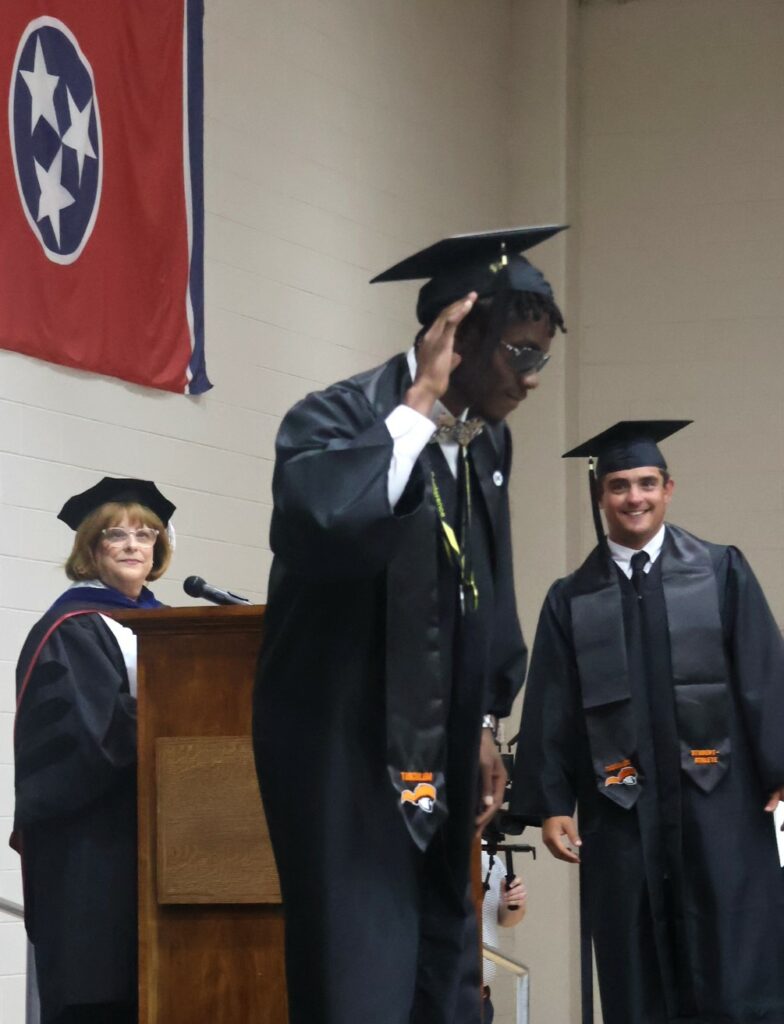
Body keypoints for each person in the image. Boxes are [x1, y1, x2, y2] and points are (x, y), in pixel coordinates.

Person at [253, 225, 567, 1024]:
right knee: (358, 971)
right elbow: (328, 523)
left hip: (442, 752)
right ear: (456, 339)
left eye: (542, 356)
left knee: (443, 967)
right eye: (520, 355)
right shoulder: (335, 419)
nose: (532, 379)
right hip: (345, 756)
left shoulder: (487, 445)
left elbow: (484, 590)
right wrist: (419, 402)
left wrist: (488, 721)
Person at [511, 420, 784, 1024]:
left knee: (732, 957)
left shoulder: (720, 572)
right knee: (635, 964)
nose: (635, 497)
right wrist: (553, 801)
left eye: (646, 483)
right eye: (619, 485)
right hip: (622, 810)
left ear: (668, 488)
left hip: (719, 805)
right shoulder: (571, 598)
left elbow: (763, 673)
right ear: (600, 496)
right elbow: (552, 703)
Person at [13, 477, 175, 1024]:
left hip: (171, 847)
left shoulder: (180, 630)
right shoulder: (70, 628)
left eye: (145, 534)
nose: (134, 545)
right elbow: (89, 738)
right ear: (90, 549)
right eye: (116, 535)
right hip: (95, 854)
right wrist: (180, 714)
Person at [480, 850, 527, 1024]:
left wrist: (514, 902)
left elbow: (505, 919)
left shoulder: (489, 857)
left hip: (480, 1000)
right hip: (438, 993)